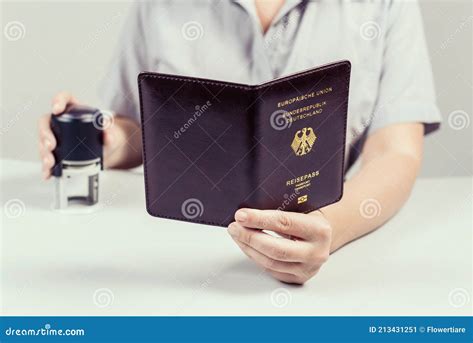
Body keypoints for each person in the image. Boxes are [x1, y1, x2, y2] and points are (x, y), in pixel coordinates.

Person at [37, 0, 441, 284]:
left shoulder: (385, 4)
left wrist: (328, 229)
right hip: (171, 260)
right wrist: (104, 140)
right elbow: (142, 131)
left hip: (329, 256)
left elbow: (396, 150)